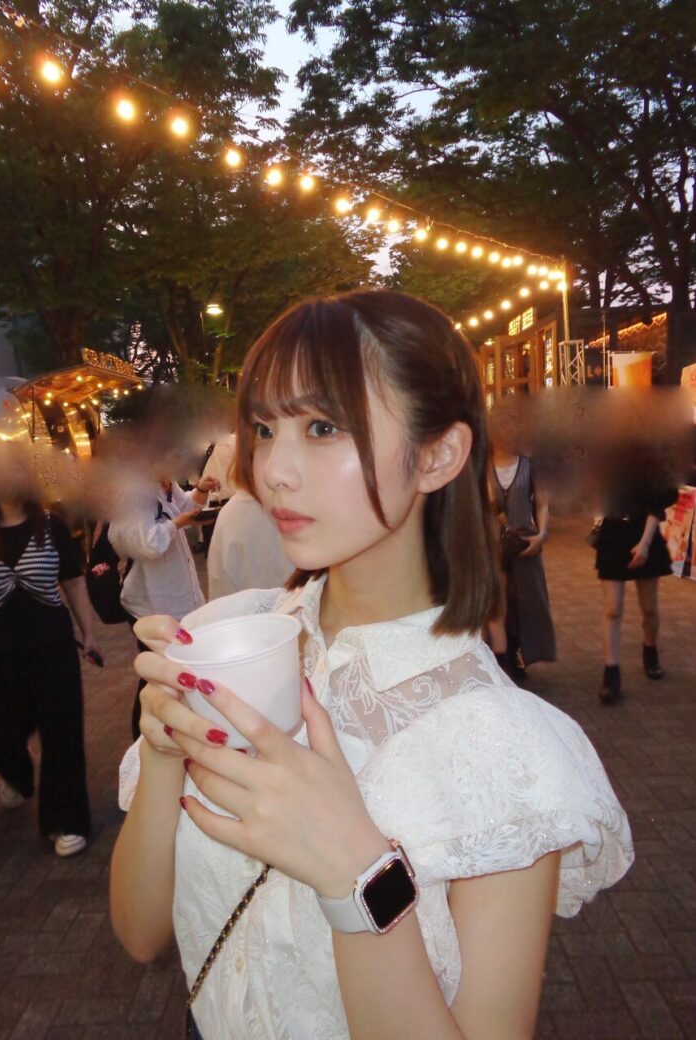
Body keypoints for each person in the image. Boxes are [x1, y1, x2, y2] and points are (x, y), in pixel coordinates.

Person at [110, 290, 633, 1040]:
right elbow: (140, 934)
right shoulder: (225, 638)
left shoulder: (508, 750)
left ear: (437, 454)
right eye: (265, 428)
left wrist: (354, 874)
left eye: (324, 427)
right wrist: (163, 752)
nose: (273, 470)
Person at [0, 459, 96, 857]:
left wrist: (89, 632)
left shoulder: (51, 524)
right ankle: (14, 770)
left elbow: (73, 581)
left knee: (62, 733)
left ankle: (66, 821)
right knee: (2, 732)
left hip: (52, 646)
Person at [108, 473, 220, 738]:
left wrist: (201, 491)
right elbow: (146, 544)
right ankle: (145, 739)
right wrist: (178, 523)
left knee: (176, 673)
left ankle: (173, 733)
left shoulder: (165, 480)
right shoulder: (134, 490)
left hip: (177, 594)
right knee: (158, 679)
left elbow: (184, 506)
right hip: (151, 604)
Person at [594, 479, 676, 705]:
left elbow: (658, 502)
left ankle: (650, 650)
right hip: (613, 534)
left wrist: (644, 544)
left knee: (649, 608)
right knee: (612, 609)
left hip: (644, 531)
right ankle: (611, 672)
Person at [489, 436, 557, 683]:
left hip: (524, 544)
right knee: (497, 604)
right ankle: (500, 659)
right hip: (492, 546)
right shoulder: (481, 465)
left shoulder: (529, 464)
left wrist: (541, 534)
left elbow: (542, 502)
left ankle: (517, 654)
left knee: (526, 602)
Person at [207, 487, 292, 599]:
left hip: (245, 605)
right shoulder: (297, 505)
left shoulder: (229, 513)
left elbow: (218, 585)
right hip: (289, 603)